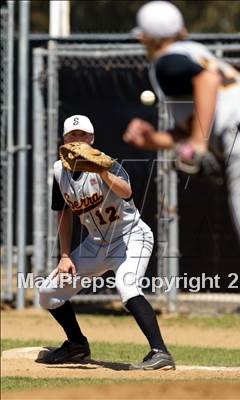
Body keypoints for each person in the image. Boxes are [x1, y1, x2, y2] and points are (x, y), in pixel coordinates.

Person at [123, 1, 240, 383]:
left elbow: (204, 88)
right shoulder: (197, 52)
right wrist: (154, 139)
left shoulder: (167, 60)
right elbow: (191, 125)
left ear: (144, 38)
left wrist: (201, 145)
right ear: (183, 28)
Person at [39, 114, 175, 370]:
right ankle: (77, 346)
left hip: (130, 236)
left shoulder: (107, 163)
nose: (77, 141)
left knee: (127, 286)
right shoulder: (59, 171)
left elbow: (127, 192)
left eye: (82, 136)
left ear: (92, 139)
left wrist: (101, 171)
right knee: (47, 293)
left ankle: (160, 352)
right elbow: (64, 213)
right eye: (72, 135)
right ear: (64, 140)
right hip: (97, 243)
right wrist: (65, 255)